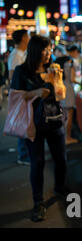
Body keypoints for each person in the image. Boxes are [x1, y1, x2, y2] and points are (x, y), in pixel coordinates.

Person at [10, 35, 67, 222]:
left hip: (54, 120)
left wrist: (57, 79)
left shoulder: (54, 67)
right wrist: (34, 93)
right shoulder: (22, 71)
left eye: (50, 49)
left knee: (61, 159)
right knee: (38, 162)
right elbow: (16, 97)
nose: (50, 53)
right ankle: (38, 203)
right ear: (36, 51)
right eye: (46, 50)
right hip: (33, 123)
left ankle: (60, 188)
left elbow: (61, 95)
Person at [8, 29, 31, 165]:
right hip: (21, 93)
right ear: (23, 38)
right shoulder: (16, 55)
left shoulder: (21, 54)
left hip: (24, 92)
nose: (28, 38)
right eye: (27, 36)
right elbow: (12, 75)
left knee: (26, 121)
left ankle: (25, 152)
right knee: (22, 122)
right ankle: (23, 154)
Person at [56, 45, 80, 144]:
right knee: (69, 115)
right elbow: (72, 78)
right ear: (74, 51)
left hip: (60, 89)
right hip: (69, 89)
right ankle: (68, 138)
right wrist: (79, 83)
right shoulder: (70, 62)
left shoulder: (59, 60)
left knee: (63, 115)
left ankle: (62, 137)